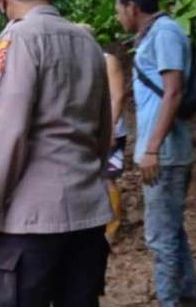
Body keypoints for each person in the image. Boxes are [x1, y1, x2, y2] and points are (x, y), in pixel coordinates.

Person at [0, 0, 113, 307]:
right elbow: (103, 130)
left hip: (30, 225)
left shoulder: (20, 39)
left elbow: (9, 132)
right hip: (87, 217)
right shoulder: (88, 43)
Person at [115, 0, 196, 307]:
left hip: (163, 154)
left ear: (132, 7)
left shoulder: (165, 33)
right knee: (172, 233)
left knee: (160, 238)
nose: (118, 17)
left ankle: (171, 301)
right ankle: (188, 296)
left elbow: (173, 91)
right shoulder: (155, 35)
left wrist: (151, 148)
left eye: (119, 10)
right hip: (162, 151)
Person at [77, 23, 128, 244]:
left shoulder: (107, 60)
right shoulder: (81, 63)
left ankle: (112, 227)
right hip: (89, 129)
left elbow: (117, 96)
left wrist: (111, 128)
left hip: (109, 130)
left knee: (108, 178)